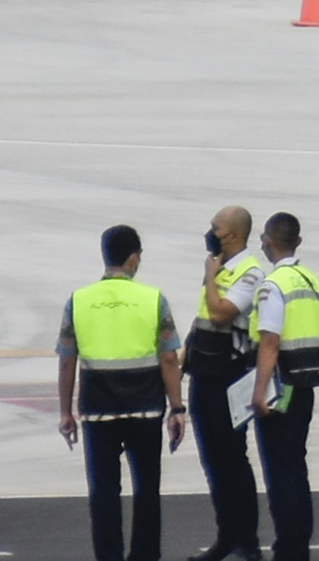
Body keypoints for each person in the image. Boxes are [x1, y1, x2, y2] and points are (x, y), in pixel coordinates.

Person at [55, 222, 187, 561]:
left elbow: (67, 361)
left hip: (98, 410)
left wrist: (66, 412)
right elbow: (170, 358)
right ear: (133, 259)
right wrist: (177, 409)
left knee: (103, 492)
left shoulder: (79, 301)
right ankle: (145, 555)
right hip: (145, 409)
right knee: (146, 488)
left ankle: (109, 555)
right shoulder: (153, 299)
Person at [180, 204, 265, 561]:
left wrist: (211, 276)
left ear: (232, 234)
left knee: (232, 458)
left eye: (216, 227)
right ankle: (226, 533)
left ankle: (246, 538)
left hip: (230, 378)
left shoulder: (250, 272)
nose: (211, 232)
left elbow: (221, 311)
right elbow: (204, 317)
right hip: (204, 373)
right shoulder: (219, 268)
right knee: (211, 459)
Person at [246, 211, 319, 561]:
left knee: (279, 472)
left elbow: (270, 342)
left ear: (267, 241)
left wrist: (259, 391)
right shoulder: (310, 280)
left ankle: (288, 547)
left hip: (283, 386)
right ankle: (299, 544)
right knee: (296, 466)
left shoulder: (273, 285)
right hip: (306, 383)